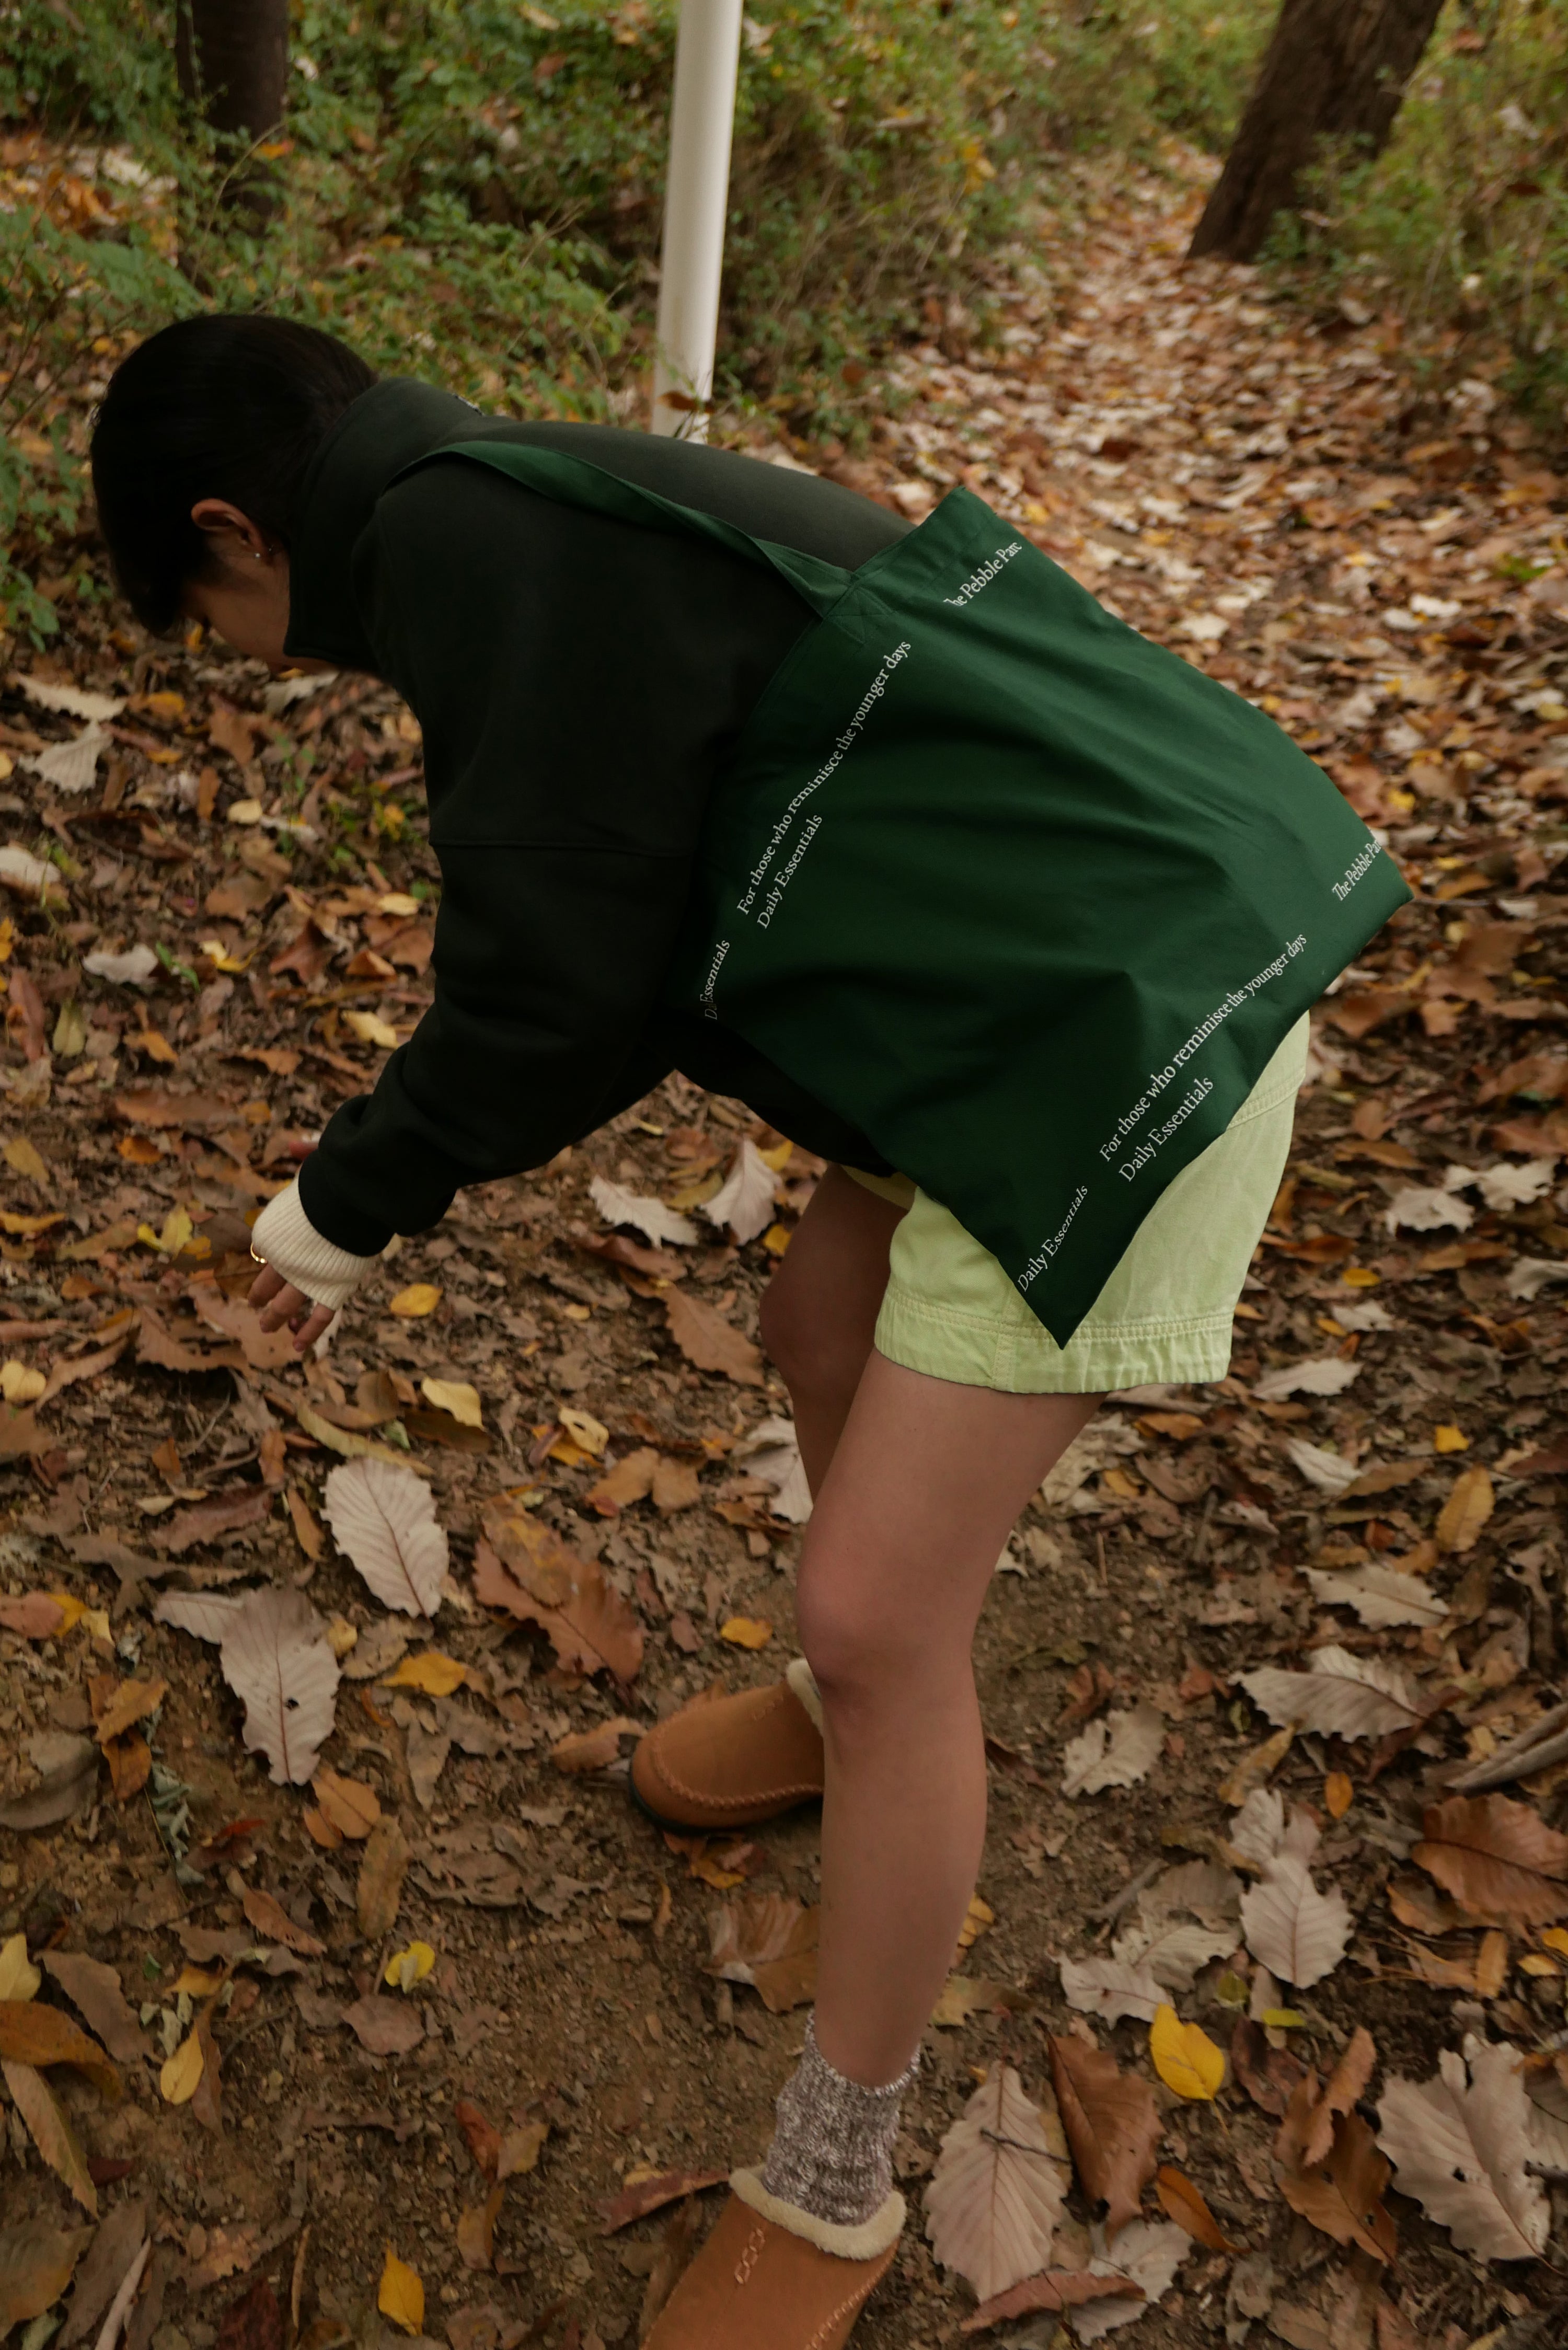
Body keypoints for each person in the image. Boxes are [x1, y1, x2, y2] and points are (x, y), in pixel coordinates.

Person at [91, 313, 1406, 2349]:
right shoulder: (515, 501)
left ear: (232, 528)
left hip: (1121, 997)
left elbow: (561, 978)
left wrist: (336, 1208)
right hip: (1007, 953)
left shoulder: (466, 555)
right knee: (819, 1316)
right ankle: (834, 1715)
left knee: (894, 1614)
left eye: (209, 615)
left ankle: (836, 2172)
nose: (248, 658)